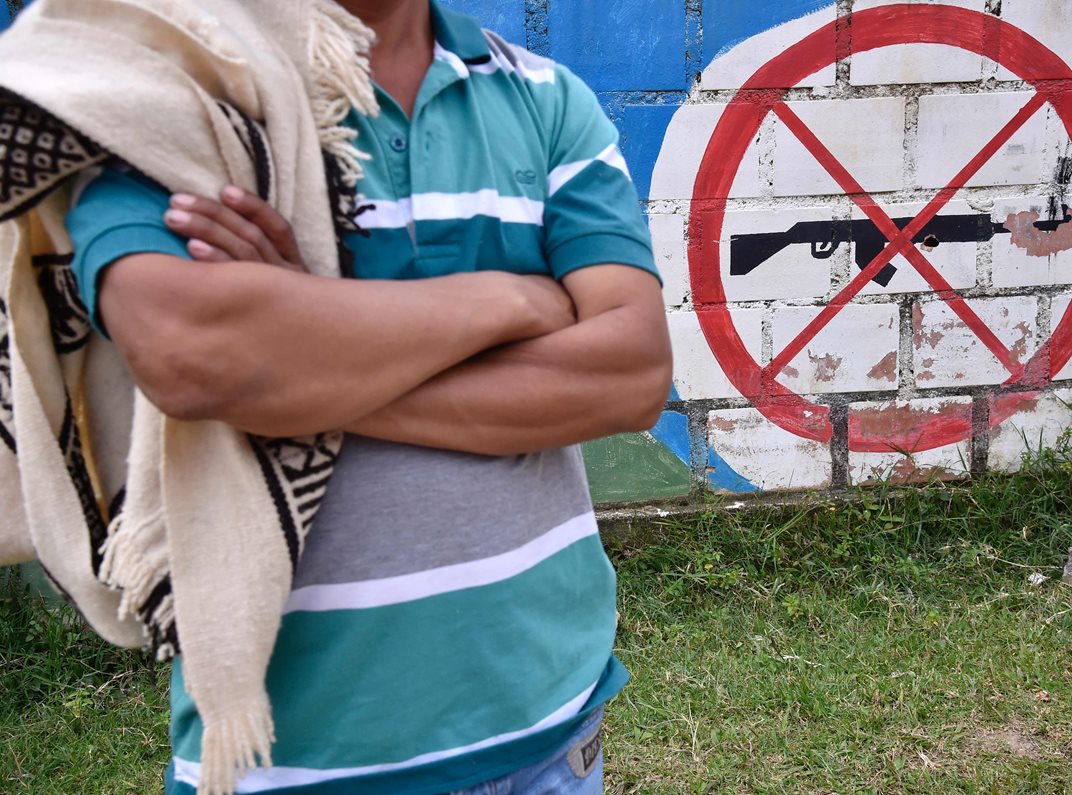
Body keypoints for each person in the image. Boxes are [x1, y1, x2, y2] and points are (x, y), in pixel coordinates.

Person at [64, 1, 671, 793]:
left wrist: (296, 356)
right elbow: (189, 357)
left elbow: (629, 375)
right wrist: (505, 302)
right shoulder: (179, 102)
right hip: (292, 761)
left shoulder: (545, 97)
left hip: (547, 734)